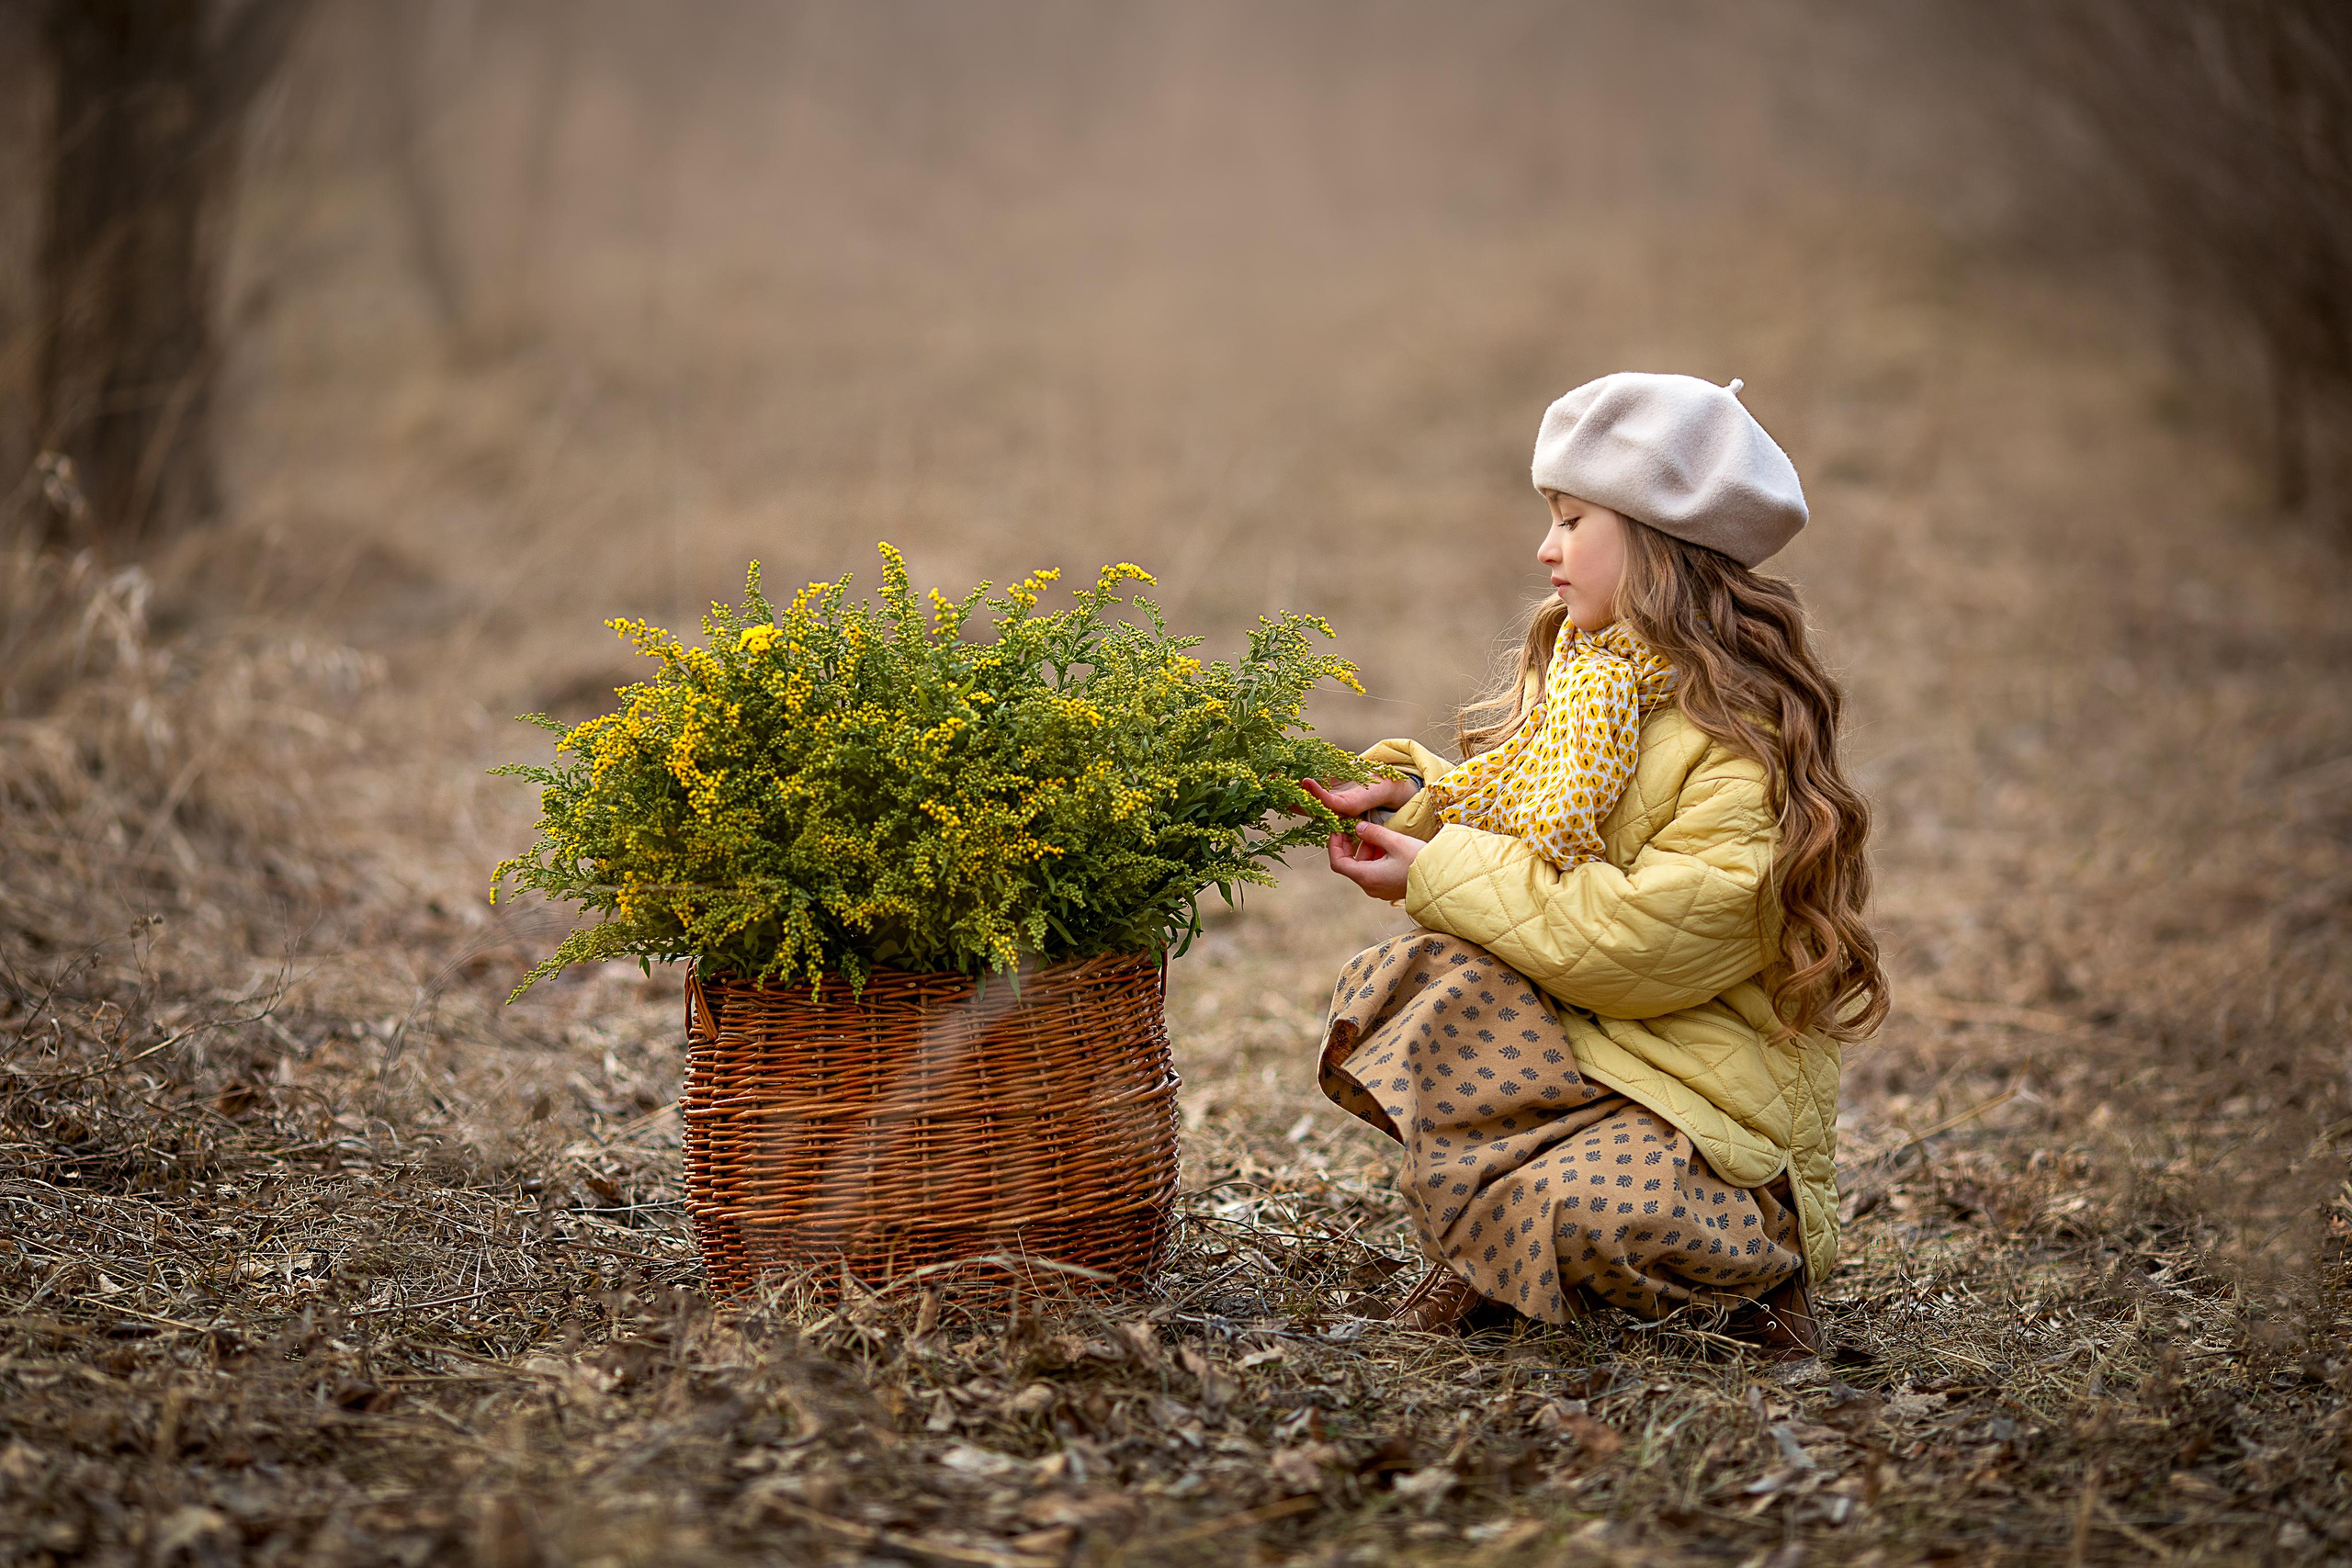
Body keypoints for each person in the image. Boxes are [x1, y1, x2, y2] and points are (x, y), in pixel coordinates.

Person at [1303, 372, 1886, 1353]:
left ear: (1661, 545)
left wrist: (1434, 872)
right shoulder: (1595, 686)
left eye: (1573, 521)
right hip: (1607, 1071)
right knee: (1412, 985)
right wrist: (1421, 811)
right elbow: (1535, 838)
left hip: (1713, 1134)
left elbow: (1631, 942)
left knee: (1582, 1210)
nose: (1546, 549)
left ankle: (1761, 1265)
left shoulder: (1739, 745)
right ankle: (1506, 1229)